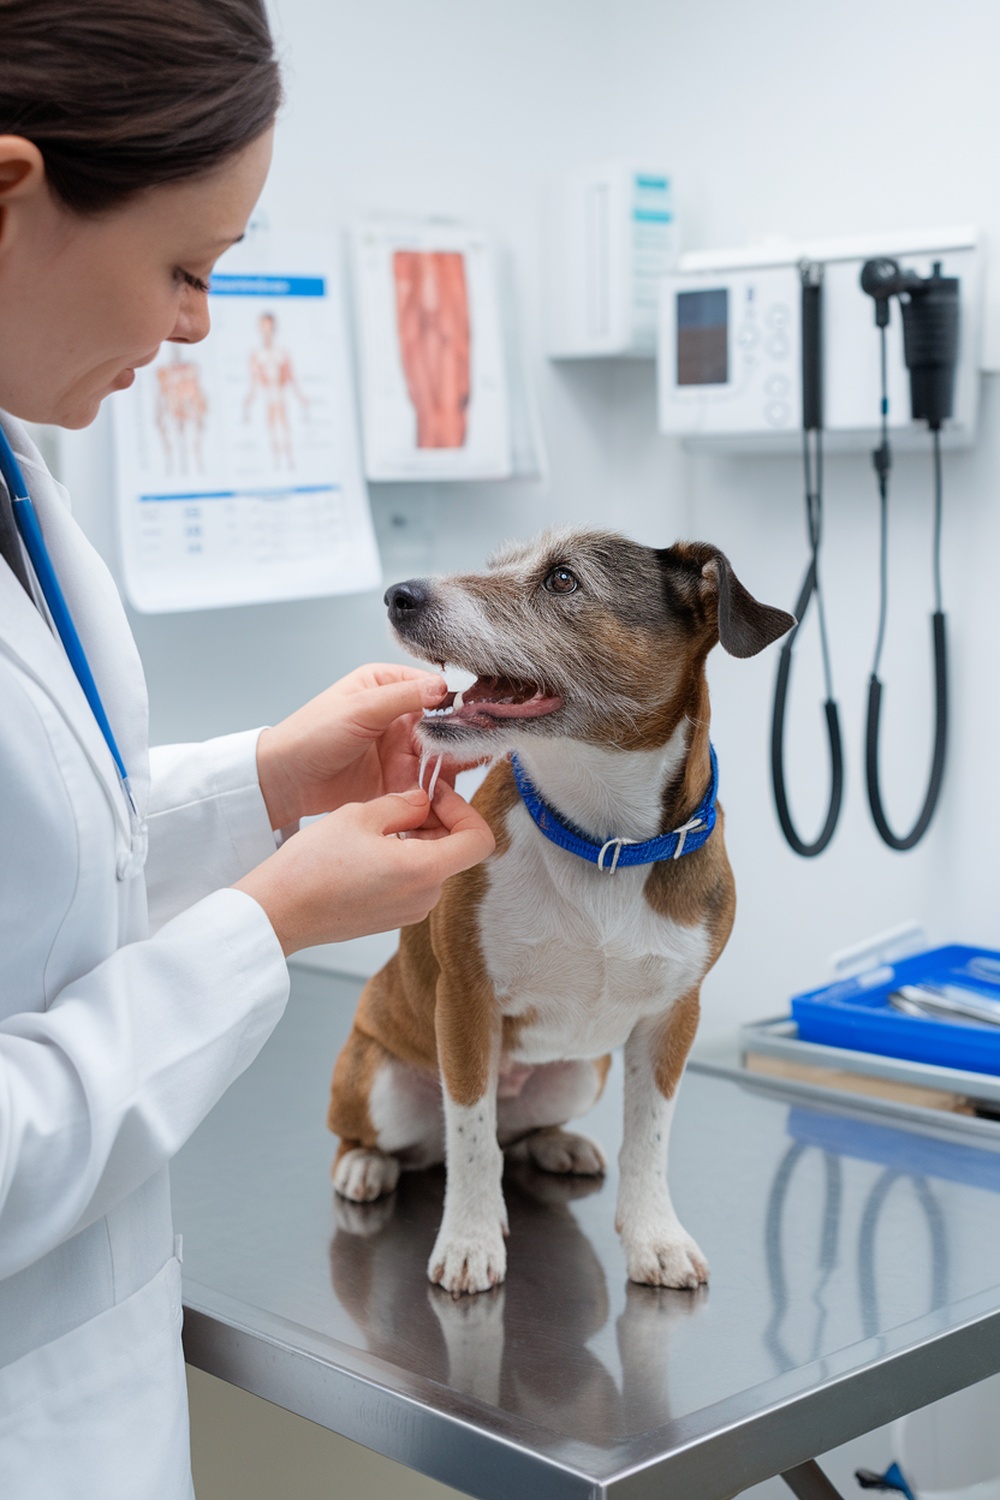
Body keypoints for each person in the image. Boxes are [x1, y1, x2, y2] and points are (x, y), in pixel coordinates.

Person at [0, 3, 495, 1496]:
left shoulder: (19, 469)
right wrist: (272, 920)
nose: (200, 324)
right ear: (11, 189)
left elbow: (44, 869)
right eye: (184, 269)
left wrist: (268, 779)